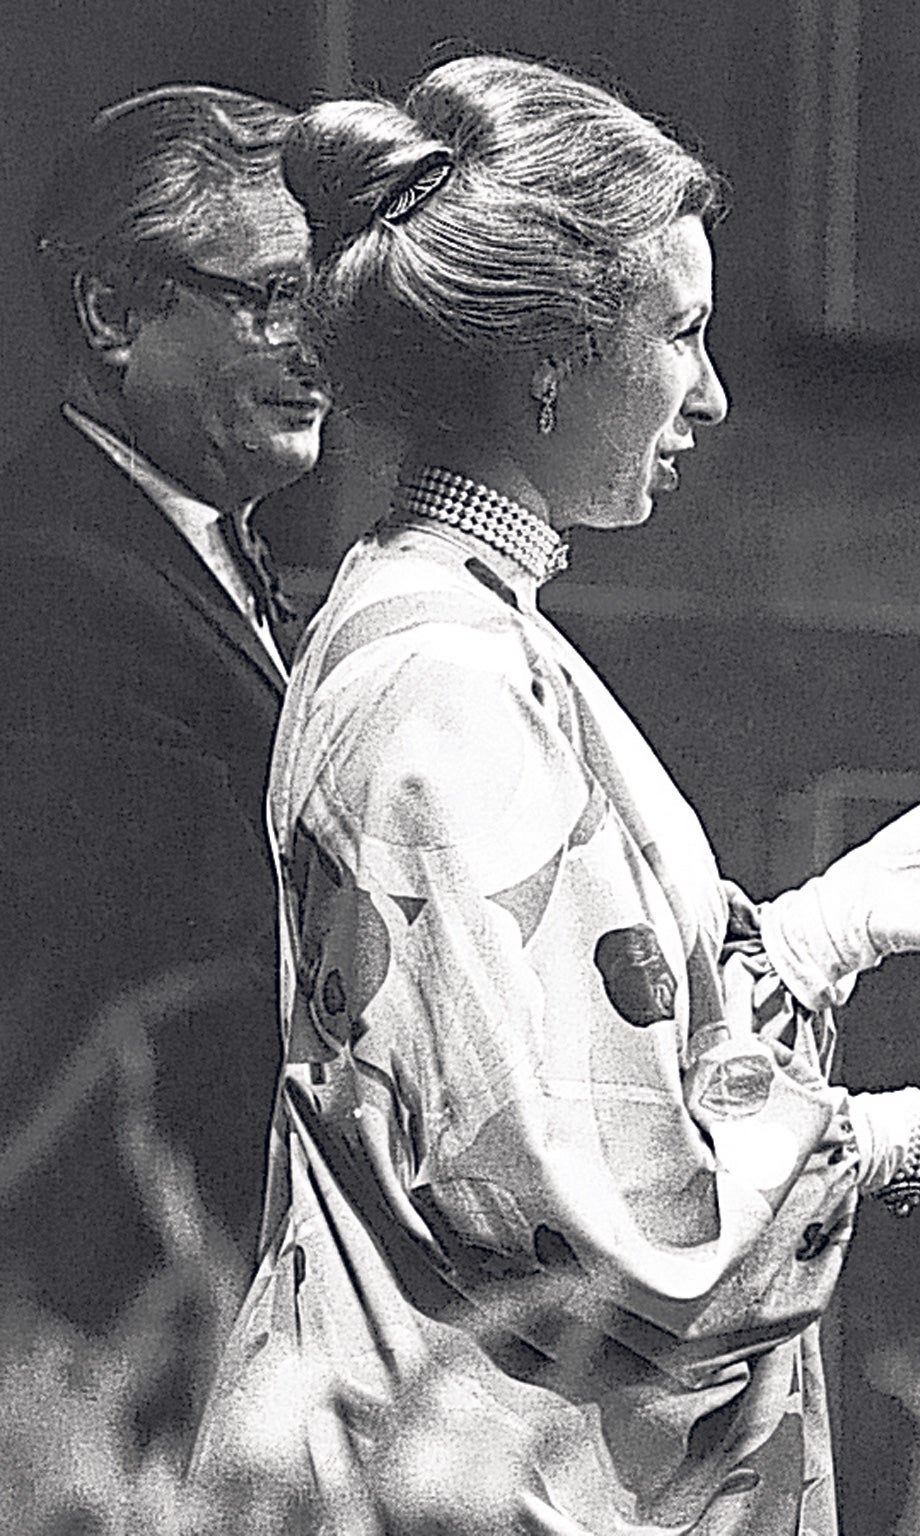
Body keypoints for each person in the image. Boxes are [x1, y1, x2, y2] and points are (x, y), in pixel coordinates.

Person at [187, 57, 920, 1535]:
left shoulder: (455, 627)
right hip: (448, 1469)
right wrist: (916, 1145)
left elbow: (572, 1034)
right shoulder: (447, 679)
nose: (712, 391)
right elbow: (572, 1211)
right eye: (680, 333)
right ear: (552, 360)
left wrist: (823, 931)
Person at [0, 84, 326, 1375]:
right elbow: (132, 1049)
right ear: (112, 313)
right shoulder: (54, 590)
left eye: (329, 306)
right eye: (271, 301)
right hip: (123, 1341)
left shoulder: (194, 552)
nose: (319, 355)